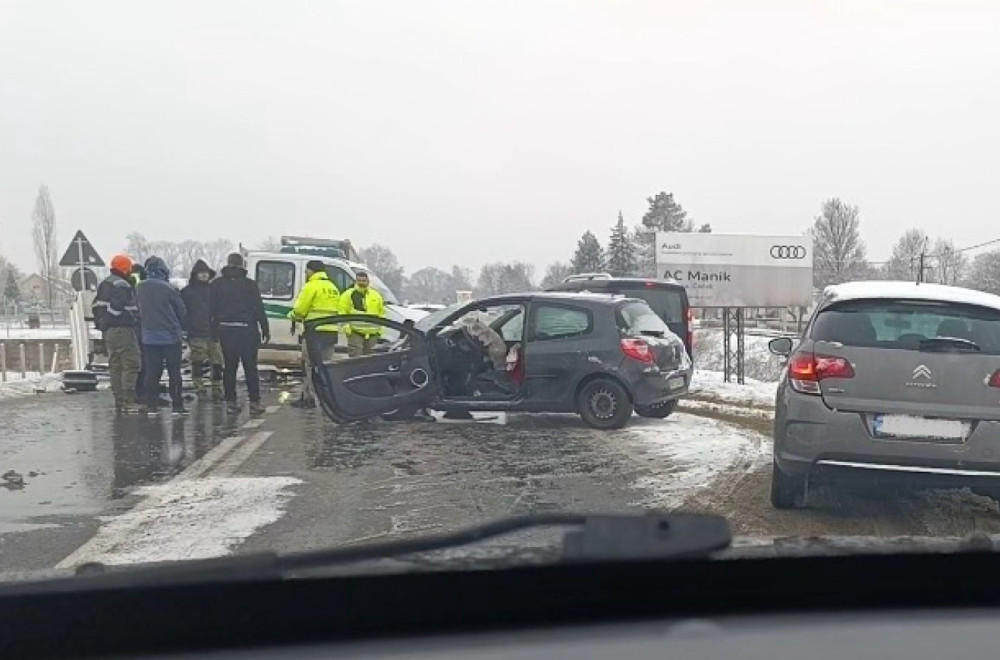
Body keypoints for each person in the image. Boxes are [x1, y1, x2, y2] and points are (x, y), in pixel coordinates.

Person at [210, 253, 270, 416]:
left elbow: (212, 310)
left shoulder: (216, 285)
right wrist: (265, 329)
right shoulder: (250, 284)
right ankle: (255, 402)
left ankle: (231, 402)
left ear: (228, 263)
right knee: (250, 367)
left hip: (226, 330)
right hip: (247, 330)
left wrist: (213, 332)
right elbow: (258, 308)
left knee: (230, 367)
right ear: (242, 265)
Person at [135, 256, 188, 415]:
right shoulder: (169, 288)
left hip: (149, 337)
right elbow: (181, 312)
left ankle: (151, 404)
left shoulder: (139, 288)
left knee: (152, 372)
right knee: (174, 372)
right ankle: (177, 405)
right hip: (170, 337)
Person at [286, 260, 340, 409]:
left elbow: (300, 310)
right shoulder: (333, 287)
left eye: (306, 271)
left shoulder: (311, 286)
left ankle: (309, 397)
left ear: (311, 271)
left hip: (314, 332)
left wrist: (291, 316)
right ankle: (327, 397)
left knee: (309, 365)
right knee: (326, 365)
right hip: (331, 332)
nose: (305, 274)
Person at [92, 254, 141, 413]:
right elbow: (117, 307)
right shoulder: (122, 285)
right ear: (126, 268)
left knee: (115, 365)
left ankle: (119, 399)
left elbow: (96, 306)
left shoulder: (106, 283)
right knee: (131, 363)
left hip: (109, 331)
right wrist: (110, 320)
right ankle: (128, 400)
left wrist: (103, 325)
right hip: (122, 329)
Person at [180, 259, 223, 400]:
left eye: (205, 272)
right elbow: (182, 312)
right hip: (196, 332)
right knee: (197, 362)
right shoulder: (187, 292)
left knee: (217, 362)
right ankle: (200, 389)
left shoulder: (214, 291)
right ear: (195, 274)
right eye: (201, 272)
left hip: (213, 332)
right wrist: (186, 328)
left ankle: (216, 388)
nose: (204, 275)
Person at [339, 270, 385, 358]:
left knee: (371, 360)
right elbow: (342, 312)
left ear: (368, 281)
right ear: (355, 281)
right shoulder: (348, 295)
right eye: (359, 280)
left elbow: (382, 313)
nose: (361, 283)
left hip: (373, 334)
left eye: (363, 281)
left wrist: (380, 330)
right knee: (355, 359)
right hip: (355, 333)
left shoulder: (376, 295)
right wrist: (347, 328)